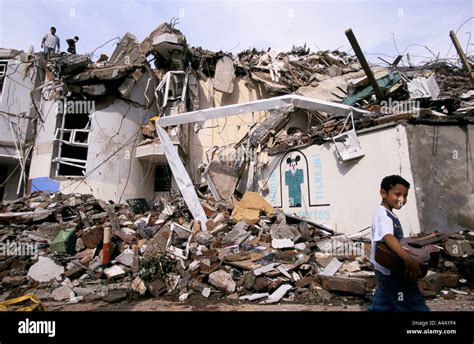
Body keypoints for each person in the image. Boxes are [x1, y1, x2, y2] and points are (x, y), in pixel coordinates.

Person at [368, 175, 429, 311]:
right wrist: (408, 259)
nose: (402, 199)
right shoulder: (385, 216)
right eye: (397, 194)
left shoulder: (384, 212)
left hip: (384, 271)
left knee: (383, 304)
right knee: (413, 304)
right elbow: (388, 237)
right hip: (393, 272)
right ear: (383, 193)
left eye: (405, 195)